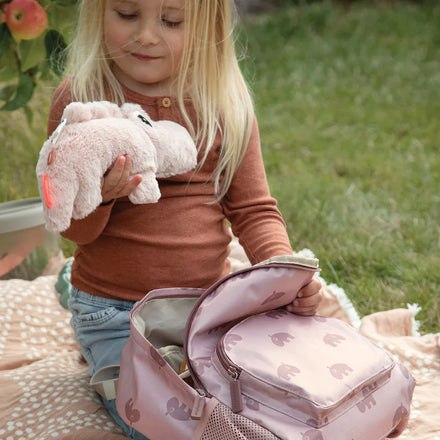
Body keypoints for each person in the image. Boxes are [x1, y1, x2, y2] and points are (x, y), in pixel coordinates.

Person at [46, 0, 323, 438]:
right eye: (126, 15)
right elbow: (71, 227)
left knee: (268, 395)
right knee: (160, 417)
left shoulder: (221, 104)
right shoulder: (83, 103)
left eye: (171, 21)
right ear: (99, 12)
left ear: (206, 27)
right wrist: (103, 197)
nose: (146, 36)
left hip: (209, 311)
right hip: (116, 315)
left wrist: (283, 273)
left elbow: (253, 210)